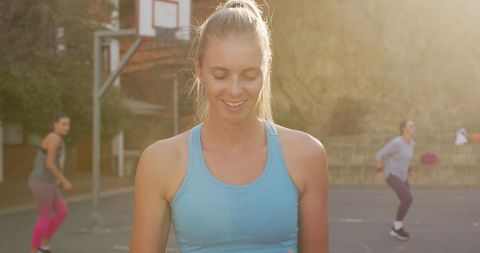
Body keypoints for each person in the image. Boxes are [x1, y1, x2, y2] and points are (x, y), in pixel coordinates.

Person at [129, 1, 329, 252]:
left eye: (249, 75)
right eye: (220, 75)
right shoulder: (161, 161)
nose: (235, 91)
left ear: (267, 68)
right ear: (198, 69)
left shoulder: (306, 154)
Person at [28, 113, 73, 253]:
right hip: (41, 182)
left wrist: (57, 180)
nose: (67, 127)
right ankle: (34, 250)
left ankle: (45, 245)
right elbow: (49, 164)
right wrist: (64, 180)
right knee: (45, 215)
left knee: (62, 211)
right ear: (55, 124)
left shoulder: (57, 138)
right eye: (63, 124)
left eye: (68, 124)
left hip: (47, 183)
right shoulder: (54, 139)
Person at [375, 120, 416, 240]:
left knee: (406, 200)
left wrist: (409, 170)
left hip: (403, 176)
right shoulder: (396, 142)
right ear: (403, 129)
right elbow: (379, 155)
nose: (414, 127)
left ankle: (396, 227)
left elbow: (407, 158)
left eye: (414, 125)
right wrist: (379, 171)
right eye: (411, 126)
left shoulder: (412, 143)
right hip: (392, 175)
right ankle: (397, 228)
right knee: (408, 198)